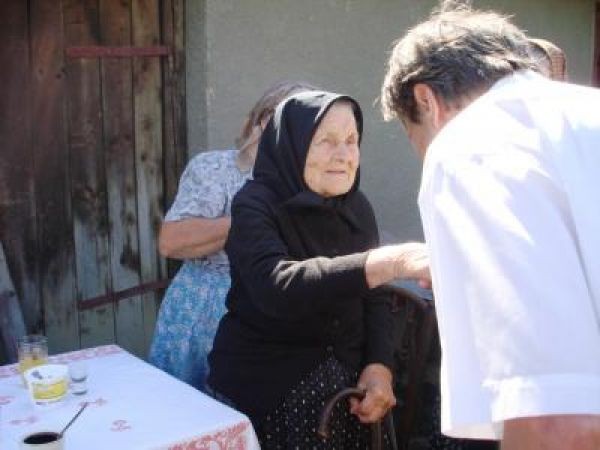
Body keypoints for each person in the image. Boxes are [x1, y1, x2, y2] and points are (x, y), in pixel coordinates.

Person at [380, 2, 600, 449]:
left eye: (414, 138)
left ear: (426, 101)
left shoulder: (468, 146)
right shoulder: (586, 111)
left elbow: (554, 419)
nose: (423, 155)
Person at [208, 90, 430, 448]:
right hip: (269, 392)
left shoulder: (356, 206)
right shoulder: (255, 204)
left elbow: (374, 297)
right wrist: (386, 262)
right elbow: (276, 287)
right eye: (326, 141)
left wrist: (379, 365)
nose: (343, 155)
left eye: (351, 141)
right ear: (294, 145)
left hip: (348, 392)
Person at [149, 81, 316, 391]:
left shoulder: (309, 180)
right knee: (186, 405)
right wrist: (254, 215)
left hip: (272, 313)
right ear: (266, 120)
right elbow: (171, 242)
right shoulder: (215, 168)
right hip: (203, 308)